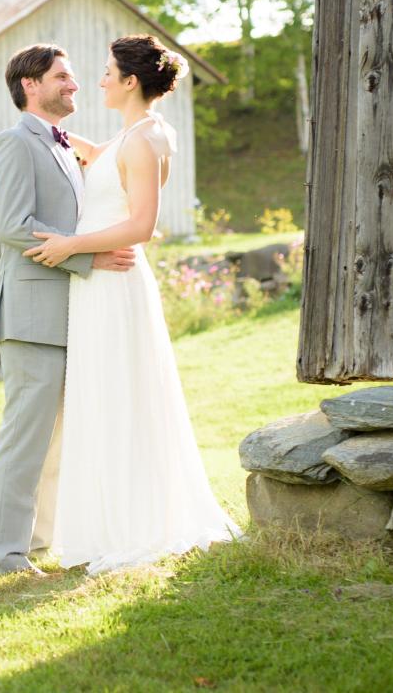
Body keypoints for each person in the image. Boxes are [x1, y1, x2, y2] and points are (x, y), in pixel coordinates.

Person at [24, 34, 241, 575]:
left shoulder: (144, 139)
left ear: (130, 82)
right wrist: (74, 144)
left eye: (106, 71)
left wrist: (68, 245)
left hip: (114, 284)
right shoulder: (135, 136)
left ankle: (132, 524)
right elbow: (111, 172)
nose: (97, 80)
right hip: (100, 286)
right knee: (103, 397)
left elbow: (142, 224)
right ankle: (106, 519)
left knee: (119, 396)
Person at [0, 43, 136, 578]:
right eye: (63, 77)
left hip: (70, 315)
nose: (74, 85)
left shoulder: (64, 146)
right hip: (30, 317)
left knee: (55, 443)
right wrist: (89, 255)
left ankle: (39, 543)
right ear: (30, 84)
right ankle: (4, 557)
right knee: (25, 439)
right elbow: (12, 225)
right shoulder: (14, 143)